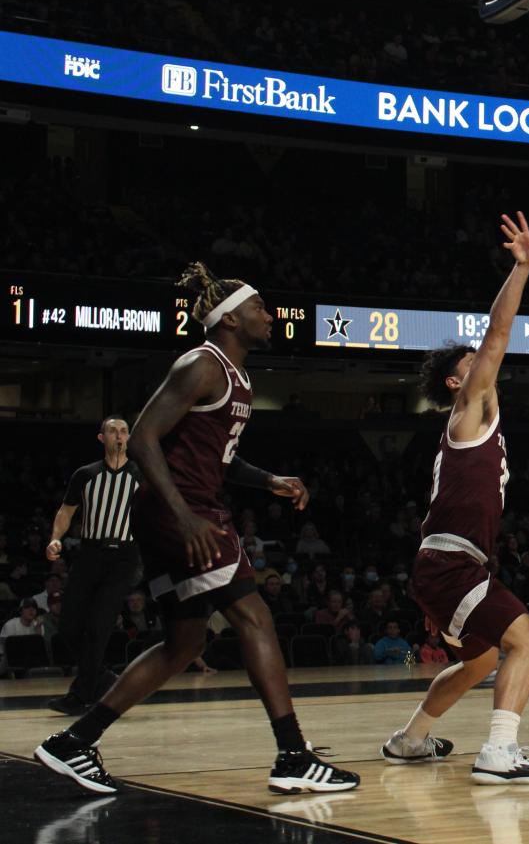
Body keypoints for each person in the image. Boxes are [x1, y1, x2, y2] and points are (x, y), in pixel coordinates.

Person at [35, 262, 358, 795]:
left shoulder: (236, 376)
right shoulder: (202, 363)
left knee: (182, 644)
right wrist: (184, 515)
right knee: (254, 617)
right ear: (228, 320)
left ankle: (73, 742)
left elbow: (219, 459)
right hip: (184, 513)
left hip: (184, 510)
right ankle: (293, 755)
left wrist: (269, 479)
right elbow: (142, 438)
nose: (270, 315)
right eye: (259, 308)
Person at [379, 212, 529, 784]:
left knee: (481, 660)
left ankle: (408, 741)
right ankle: (500, 752)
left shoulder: (478, 417)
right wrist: (523, 267)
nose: (484, 362)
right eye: (472, 362)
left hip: (448, 562)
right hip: (452, 562)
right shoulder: (469, 408)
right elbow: (499, 332)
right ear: (458, 383)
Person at [45, 416, 143, 716]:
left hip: (124, 557)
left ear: (129, 437)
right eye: (112, 430)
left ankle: (81, 696)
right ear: (101, 438)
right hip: (90, 554)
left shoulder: (143, 474)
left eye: (124, 431)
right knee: (68, 625)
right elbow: (66, 510)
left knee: (98, 627)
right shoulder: (85, 474)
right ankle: (102, 679)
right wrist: (55, 539)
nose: (119, 435)